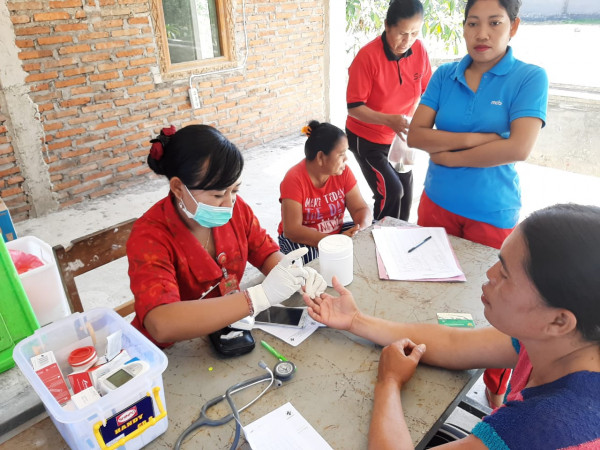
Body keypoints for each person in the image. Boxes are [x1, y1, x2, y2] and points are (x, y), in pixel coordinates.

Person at [303, 203, 600, 449]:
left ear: (559, 320)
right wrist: (356, 320)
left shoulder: (542, 426)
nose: (489, 272)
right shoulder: (558, 340)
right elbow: (456, 344)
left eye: (506, 274)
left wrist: (389, 382)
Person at [407, 0, 549, 407]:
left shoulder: (528, 77)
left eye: (494, 23)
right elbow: (416, 136)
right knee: (429, 289)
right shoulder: (445, 74)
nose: (482, 33)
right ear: (463, 27)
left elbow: (519, 147)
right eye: (473, 23)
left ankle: (494, 388)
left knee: (497, 304)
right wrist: (478, 140)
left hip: (492, 212)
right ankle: (431, 356)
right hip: (436, 205)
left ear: (514, 26)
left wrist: (449, 153)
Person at [126, 125, 327, 347]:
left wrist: (293, 275)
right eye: (218, 194)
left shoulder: (235, 210)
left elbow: (263, 251)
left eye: (235, 190)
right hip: (173, 353)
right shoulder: (149, 237)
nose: (230, 202)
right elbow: (161, 324)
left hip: (229, 329)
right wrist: (257, 297)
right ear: (178, 188)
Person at [346, 0, 432, 222]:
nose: (408, 40)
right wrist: (388, 120)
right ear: (387, 25)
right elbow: (354, 107)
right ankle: (379, 240)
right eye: (402, 33)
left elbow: (428, 92)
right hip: (366, 138)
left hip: (399, 138)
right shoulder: (367, 57)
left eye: (414, 33)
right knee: (391, 192)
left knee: (406, 193)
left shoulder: (419, 50)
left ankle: (398, 243)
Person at [278, 120, 373, 264]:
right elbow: (292, 230)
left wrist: (361, 229)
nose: (346, 158)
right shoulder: (294, 179)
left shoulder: (343, 172)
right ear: (321, 157)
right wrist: (333, 242)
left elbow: (360, 208)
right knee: (313, 262)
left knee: (376, 232)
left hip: (334, 233)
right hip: (302, 238)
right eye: (341, 154)